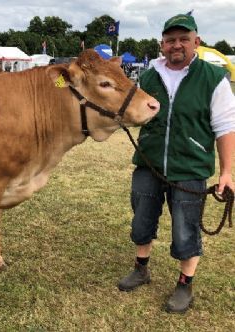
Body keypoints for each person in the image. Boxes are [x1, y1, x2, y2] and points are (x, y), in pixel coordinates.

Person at [118, 14, 235, 313]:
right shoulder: (147, 76)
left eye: (184, 39)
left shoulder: (212, 78)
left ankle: (185, 285)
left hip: (190, 168)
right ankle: (141, 269)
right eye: (171, 40)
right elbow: (130, 111)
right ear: (162, 45)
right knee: (141, 220)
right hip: (149, 164)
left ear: (197, 41)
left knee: (186, 229)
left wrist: (226, 172)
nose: (177, 45)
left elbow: (225, 128)